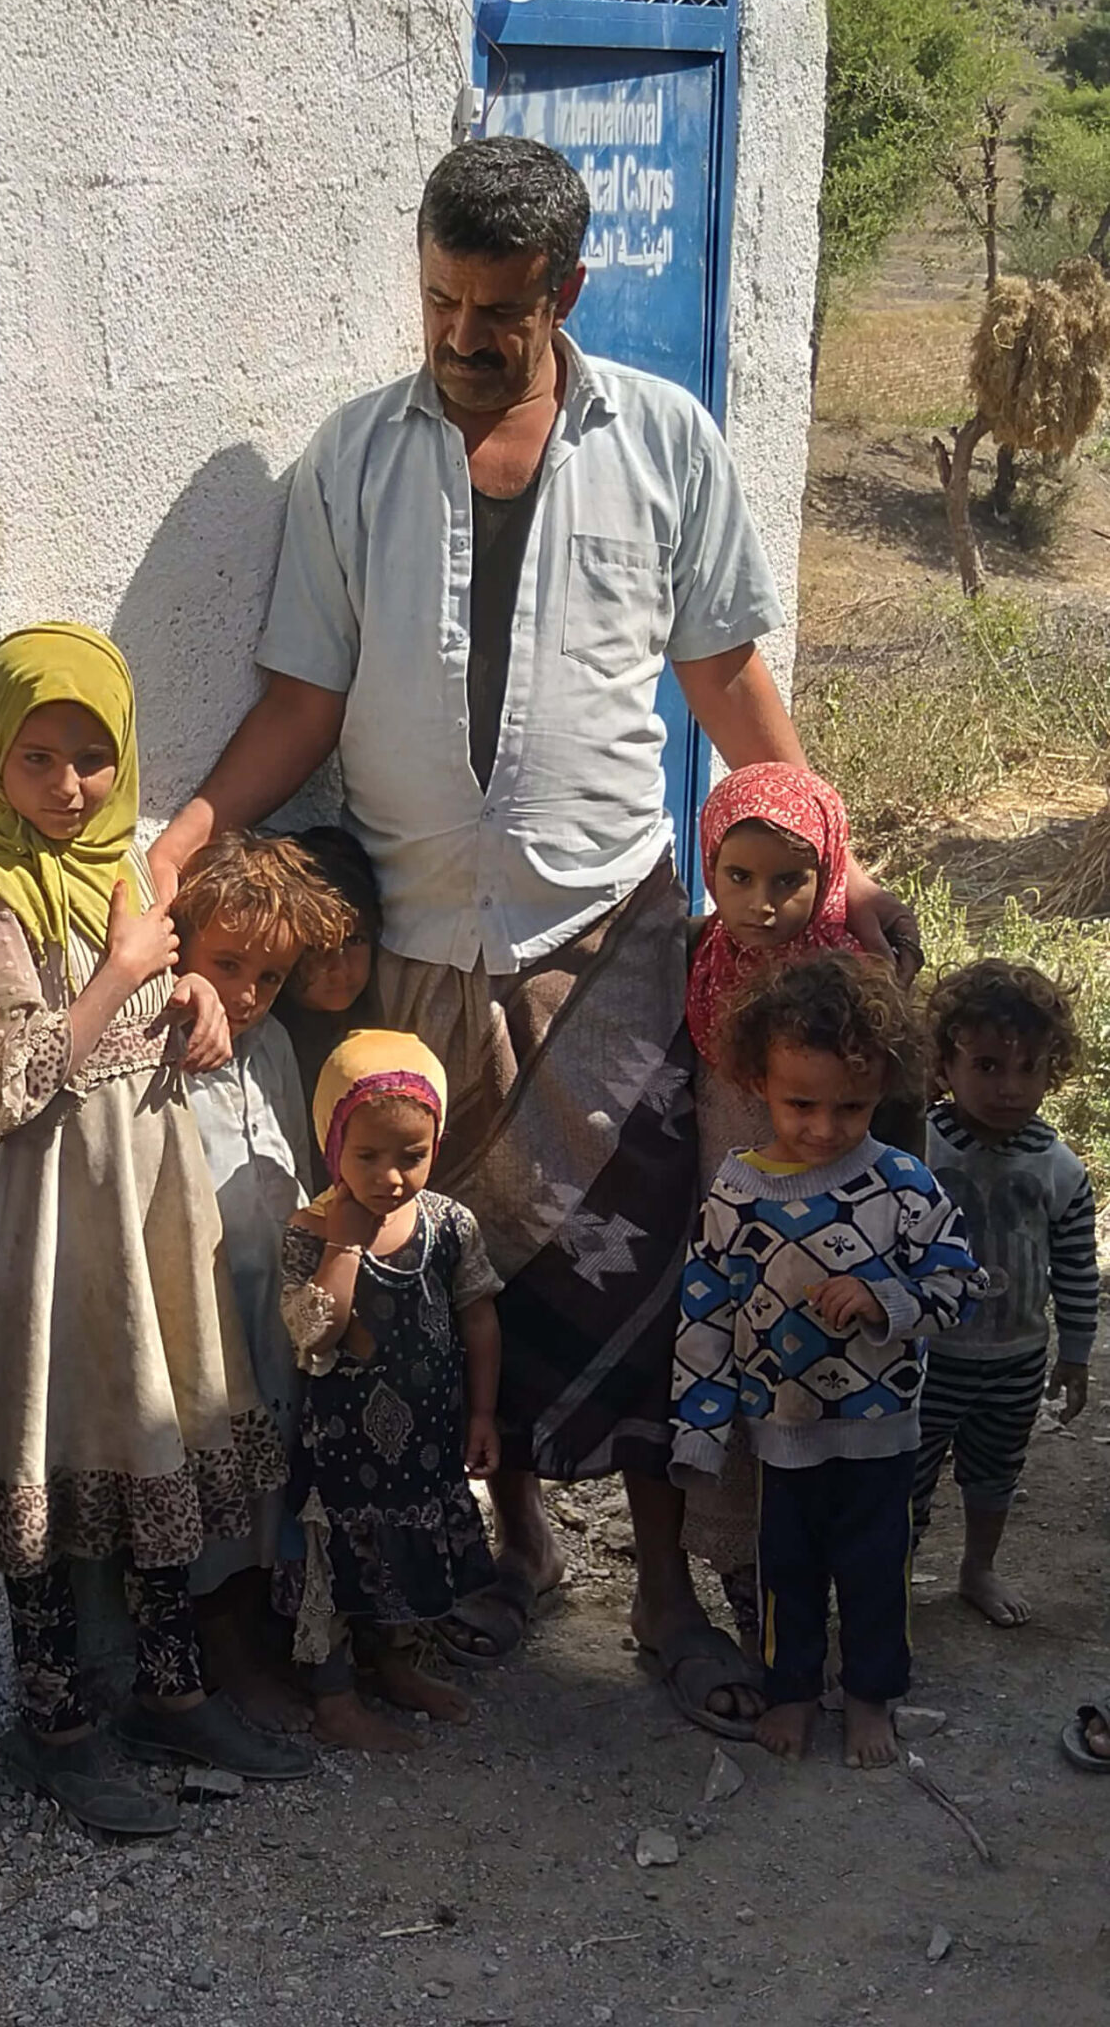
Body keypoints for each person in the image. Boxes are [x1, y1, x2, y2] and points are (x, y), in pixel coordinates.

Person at [152, 134, 922, 1735]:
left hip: (612, 938)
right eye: (435, 300)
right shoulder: (353, 460)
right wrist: (183, 837)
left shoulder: (664, 444)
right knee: (440, 1285)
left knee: (638, 1278)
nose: (456, 337)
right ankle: (499, 1554)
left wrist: (824, 873)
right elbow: (301, 699)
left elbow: (722, 683)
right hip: (416, 947)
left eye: (492, 310)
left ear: (563, 291)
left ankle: (655, 1593)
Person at [0, 624, 313, 1836]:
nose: (66, 788)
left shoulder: (137, 860)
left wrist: (188, 984)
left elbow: (162, 982)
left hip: (146, 1207)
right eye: (37, 758)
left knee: (159, 1441)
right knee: (47, 1461)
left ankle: (171, 1690)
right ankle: (57, 1723)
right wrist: (116, 971)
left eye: (91, 758)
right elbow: (4, 1083)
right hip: (49, 1222)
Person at [671, 954, 984, 1768]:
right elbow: (705, 1310)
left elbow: (957, 1281)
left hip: (881, 1433)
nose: (821, 1127)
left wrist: (885, 1298)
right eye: (798, 1103)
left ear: (883, 1086)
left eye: (849, 1106)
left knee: (877, 1570)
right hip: (780, 1434)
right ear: (757, 1083)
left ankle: (872, 1696)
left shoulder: (903, 1185)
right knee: (788, 1573)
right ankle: (794, 1691)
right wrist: (699, 1427)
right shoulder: (735, 1194)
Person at [680, 762, 866, 1662]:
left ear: (827, 871)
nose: (760, 904)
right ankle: (759, 1626)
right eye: (736, 878)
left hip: (837, 1251)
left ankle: (831, 1620)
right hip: (733, 1243)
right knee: (744, 1417)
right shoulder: (697, 966)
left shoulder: (856, 984)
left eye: (789, 880)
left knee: (825, 1420)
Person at [280, 1032, 507, 1750]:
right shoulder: (309, 1231)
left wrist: (481, 1413)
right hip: (340, 1451)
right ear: (331, 1142)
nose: (390, 1178)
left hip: (425, 1440)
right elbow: (313, 1333)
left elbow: (478, 1316)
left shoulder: (447, 1223)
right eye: (367, 1156)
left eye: (411, 1155)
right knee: (340, 1560)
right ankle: (335, 1696)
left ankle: (397, 1663)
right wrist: (344, 1246)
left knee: (406, 1551)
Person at [171, 833, 353, 1726]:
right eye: (226, 965)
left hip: (268, 1305)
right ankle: (221, 1655)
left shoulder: (273, 1044)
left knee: (270, 1478)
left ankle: (270, 1639)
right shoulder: (167, 1048)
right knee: (212, 1482)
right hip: (200, 1312)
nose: (244, 995)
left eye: (269, 976)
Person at [916, 959, 1098, 1629]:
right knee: (907, 1475)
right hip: (926, 1358)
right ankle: (890, 1577)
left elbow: (1077, 1266)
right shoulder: (917, 1150)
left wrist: (1073, 1352)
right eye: (987, 1066)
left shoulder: (1059, 1168)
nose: (1008, 1088)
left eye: (1029, 1069)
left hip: (1015, 1357)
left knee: (993, 1473)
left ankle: (976, 1568)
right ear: (942, 1065)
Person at [270, 825, 386, 1188]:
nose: (339, 968)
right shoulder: (268, 1044)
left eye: (354, 940)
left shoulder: (387, 1030)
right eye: (317, 946)